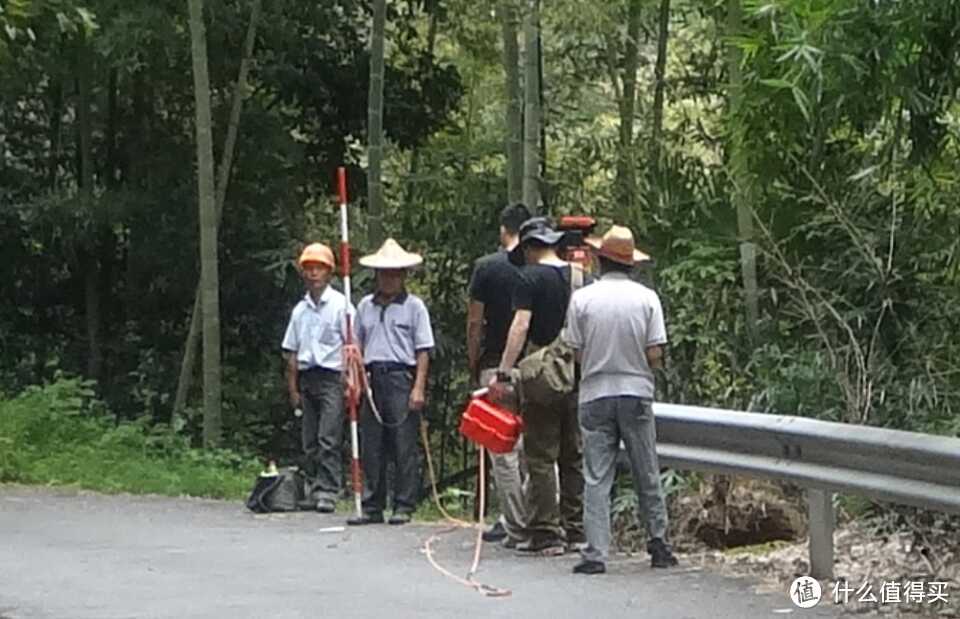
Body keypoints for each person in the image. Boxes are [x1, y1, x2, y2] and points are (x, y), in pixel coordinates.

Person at [562, 225, 678, 574]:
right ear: (631, 264)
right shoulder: (647, 299)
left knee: (597, 475)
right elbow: (654, 351)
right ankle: (658, 543)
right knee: (646, 469)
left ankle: (596, 552)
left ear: (599, 259)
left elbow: (576, 352)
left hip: (595, 393)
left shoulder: (582, 299)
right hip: (636, 391)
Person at [488, 217, 585, 555]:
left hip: (540, 375)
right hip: (576, 372)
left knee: (541, 454)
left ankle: (546, 531)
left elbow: (520, 325)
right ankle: (576, 530)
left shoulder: (528, 278)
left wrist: (503, 371)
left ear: (530, 247)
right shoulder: (580, 277)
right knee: (573, 454)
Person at [347, 238, 435, 526]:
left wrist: (418, 387)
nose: (389, 279)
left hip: (400, 377)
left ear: (403, 275)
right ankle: (373, 504)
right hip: (372, 376)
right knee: (372, 444)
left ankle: (404, 504)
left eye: (395, 273)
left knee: (403, 444)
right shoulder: (364, 307)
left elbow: (423, 350)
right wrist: (354, 381)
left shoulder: (414, 307)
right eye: (384, 273)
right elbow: (355, 347)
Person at [466, 203, 531, 547]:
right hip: (536, 367)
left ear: (503, 230)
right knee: (532, 446)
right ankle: (532, 516)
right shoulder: (540, 268)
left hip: (496, 366)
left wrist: (473, 360)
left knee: (501, 447)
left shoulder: (487, 268)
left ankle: (514, 520)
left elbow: (475, 321)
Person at [281, 243, 353, 513]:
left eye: (318, 268)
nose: (313, 273)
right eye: (309, 268)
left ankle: (330, 489)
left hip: (332, 377)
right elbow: (291, 352)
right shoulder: (300, 311)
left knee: (328, 436)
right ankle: (313, 485)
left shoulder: (340, 306)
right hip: (307, 376)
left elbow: (351, 346)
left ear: (329, 272)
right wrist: (293, 389)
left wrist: (350, 380)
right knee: (309, 439)